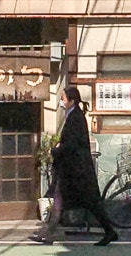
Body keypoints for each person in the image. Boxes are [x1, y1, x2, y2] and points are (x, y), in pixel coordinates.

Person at [32, 86, 119, 245]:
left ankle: (109, 231)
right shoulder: (73, 115)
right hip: (73, 169)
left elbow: (71, 144)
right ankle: (47, 233)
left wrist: (56, 151)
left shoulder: (75, 118)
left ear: (71, 101)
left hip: (77, 170)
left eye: (63, 98)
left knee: (87, 202)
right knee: (61, 200)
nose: (61, 101)